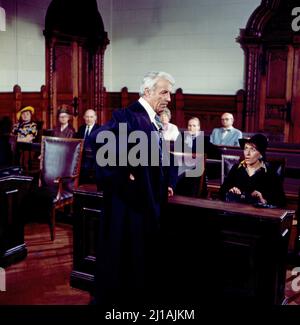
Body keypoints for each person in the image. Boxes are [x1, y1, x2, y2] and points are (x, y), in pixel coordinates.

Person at [91, 71, 177, 306]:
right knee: (128, 264)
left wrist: (164, 182)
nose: (169, 98)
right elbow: (98, 139)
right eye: (164, 92)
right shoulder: (129, 115)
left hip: (146, 202)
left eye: (169, 92)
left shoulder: (150, 118)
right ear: (147, 92)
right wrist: (124, 176)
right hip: (132, 207)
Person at [219, 134, 286, 207]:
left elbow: (281, 202)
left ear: (261, 154)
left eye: (253, 149)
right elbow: (221, 192)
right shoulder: (236, 168)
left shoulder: (271, 173)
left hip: (258, 216)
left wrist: (263, 200)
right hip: (235, 213)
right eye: (246, 148)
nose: (247, 153)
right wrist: (230, 191)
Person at [76, 109, 100, 183]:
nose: (89, 119)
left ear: (95, 118)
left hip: (93, 159)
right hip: (80, 158)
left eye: (91, 117)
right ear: (84, 117)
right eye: (87, 117)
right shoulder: (81, 129)